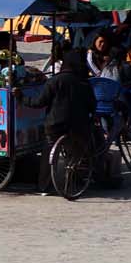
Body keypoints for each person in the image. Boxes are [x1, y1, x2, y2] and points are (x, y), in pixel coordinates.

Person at [31, 51, 96, 192]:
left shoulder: (54, 81)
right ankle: (75, 179)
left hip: (55, 126)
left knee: (48, 153)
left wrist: (21, 98)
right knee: (78, 149)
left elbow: (39, 102)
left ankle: (44, 187)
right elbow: (93, 106)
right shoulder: (84, 83)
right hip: (78, 126)